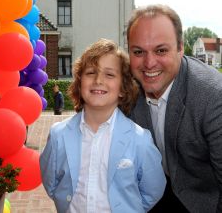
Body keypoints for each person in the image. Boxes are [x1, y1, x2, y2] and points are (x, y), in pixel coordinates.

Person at [40, 38, 166, 213]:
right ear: (79, 81)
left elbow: (153, 191)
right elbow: (51, 183)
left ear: (123, 88)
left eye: (110, 74)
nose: (98, 80)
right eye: (91, 72)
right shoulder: (58, 135)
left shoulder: (140, 140)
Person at [127, 4, 222, 213]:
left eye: (161, 50)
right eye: (138, 51)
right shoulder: (124, 86)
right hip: (150, 196)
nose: (149, 63)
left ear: (180, 48)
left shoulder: (213, 96)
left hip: (202, 202)